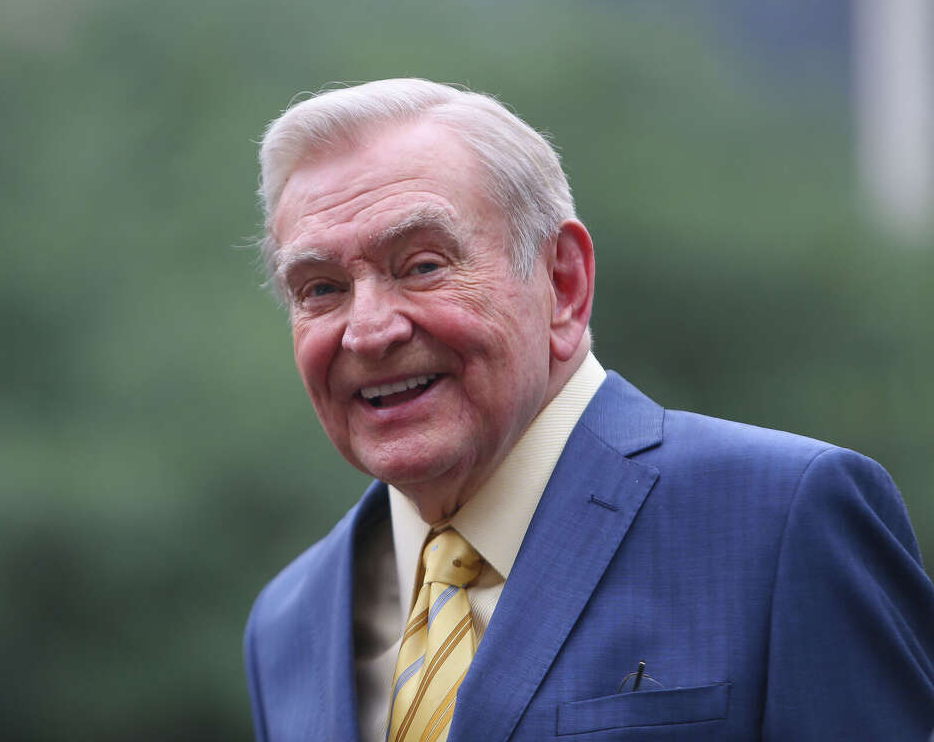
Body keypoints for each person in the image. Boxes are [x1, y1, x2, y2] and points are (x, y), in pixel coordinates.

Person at [242, 79, 934, 741]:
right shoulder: (289, 621)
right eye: (321, 289)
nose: (368, 331)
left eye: (422, 266)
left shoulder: (782, 521)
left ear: (562, 282)